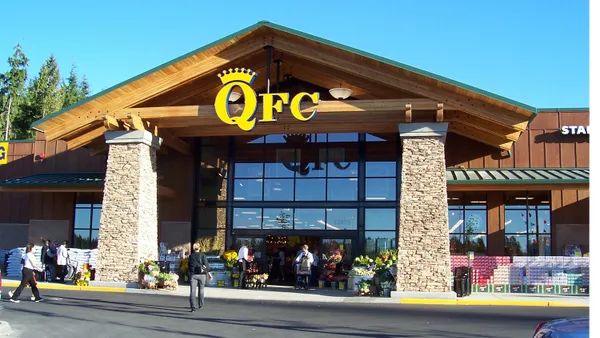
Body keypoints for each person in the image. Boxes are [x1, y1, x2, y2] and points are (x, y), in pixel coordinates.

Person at [188, 242, 212, 312]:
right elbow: (207, 266)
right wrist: (210, 275)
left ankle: (193, 306)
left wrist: (190, 273)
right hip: (202, 275)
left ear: (193, 248)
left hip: (193, 275)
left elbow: (189, 266)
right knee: (201, 290)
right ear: (199, 248)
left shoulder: (191, 256)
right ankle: (200, 304)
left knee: (193, 291)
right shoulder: (202, 255)